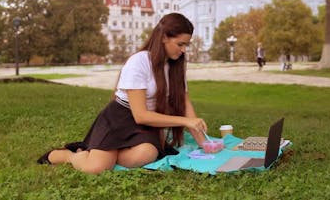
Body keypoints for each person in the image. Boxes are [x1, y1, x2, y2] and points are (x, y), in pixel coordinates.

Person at [37, 13, 207, 174]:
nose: (184, 50)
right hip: (120, 119)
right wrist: (186, 121)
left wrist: (205, 143)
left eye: (186, 45)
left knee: (146, 153)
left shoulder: (175, 67)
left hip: (146, 125)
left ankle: (102, 152)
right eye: (180, 44)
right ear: (164, 37)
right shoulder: (139, 62)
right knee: (96, 168)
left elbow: (184, 103)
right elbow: (140, 115)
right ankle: (72, 155)